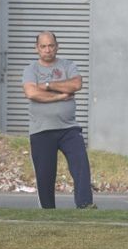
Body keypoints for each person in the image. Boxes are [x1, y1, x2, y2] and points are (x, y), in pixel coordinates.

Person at [21, 30, 94, 209]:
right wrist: (60, 96)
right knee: (45, 175)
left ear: (57, 47)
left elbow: (76, 84)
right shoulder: (31, 69)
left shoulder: (67, 65)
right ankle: (48, 212)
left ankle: (85, 205)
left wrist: (47, 85)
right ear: (36, 48)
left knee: (81, 166)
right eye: (43, 46)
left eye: (51, 46)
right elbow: (31, 93)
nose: (47, 50)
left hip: (69, 128)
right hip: (41, 130)